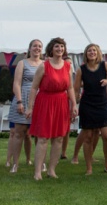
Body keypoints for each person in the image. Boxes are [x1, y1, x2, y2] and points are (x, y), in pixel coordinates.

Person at [29, 37, 77, 180]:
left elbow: (70, 87)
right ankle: (38, 171)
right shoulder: (44, 66)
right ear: (51, 49)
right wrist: (29, 107)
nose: (59, 49)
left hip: (61, 103)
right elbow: (33, 87)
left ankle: (51, 170)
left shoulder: (68, 66)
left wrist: (74, 104)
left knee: (59, 138)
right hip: (45, 102)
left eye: (62, 47)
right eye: (57, 46)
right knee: (43, 138)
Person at [74, 43, 107, 176]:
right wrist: (73, 104)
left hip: (102, 104)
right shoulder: (81, 69)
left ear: (98, 52)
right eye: (89, 50)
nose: (92, 52)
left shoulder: (105, 65)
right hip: (87, 105)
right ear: (86, 53)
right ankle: (89, 168)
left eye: (94, 50)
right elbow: (76, 89)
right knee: (88, 137)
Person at [6, 40, 41, 174]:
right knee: (18, 133)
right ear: (30, 48)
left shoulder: (44, 64)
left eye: (39, 46)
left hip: (39, 99)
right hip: (23, 97)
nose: (37, 48)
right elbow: (16, 83)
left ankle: (40, 162)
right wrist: (20, 101)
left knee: (40, 134)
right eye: (35, 46)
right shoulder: (22, 63)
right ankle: (15, 163)